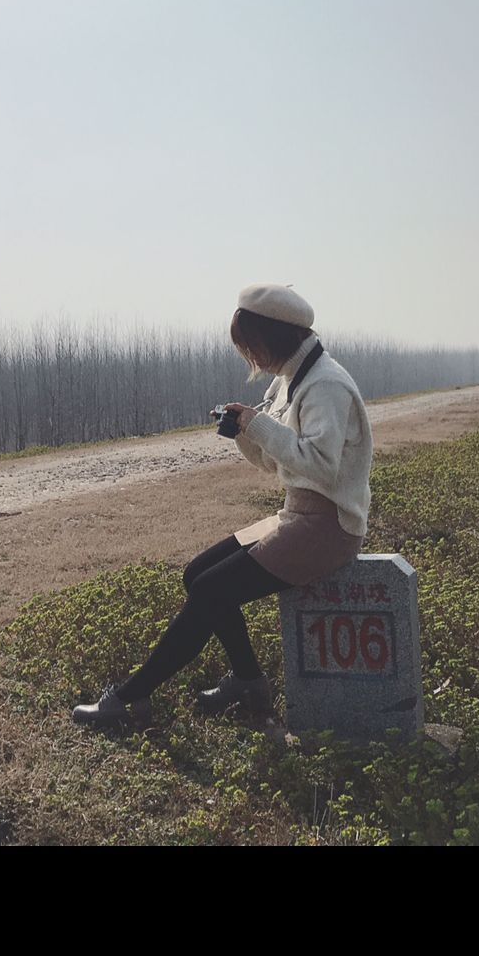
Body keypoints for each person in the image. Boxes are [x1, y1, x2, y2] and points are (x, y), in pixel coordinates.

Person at [71, 282, 374, 727]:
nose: (250, 357)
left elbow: (322, 465)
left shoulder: (325, 384)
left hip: (329, 528)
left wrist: (258, 424)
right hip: (299, 513)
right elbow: (277, 464)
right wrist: (243, 433)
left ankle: (132, 698)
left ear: (277, 335)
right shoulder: (293, 378)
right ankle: (249, 683)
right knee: (198, 575)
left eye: (251, 345)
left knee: (213, 590)